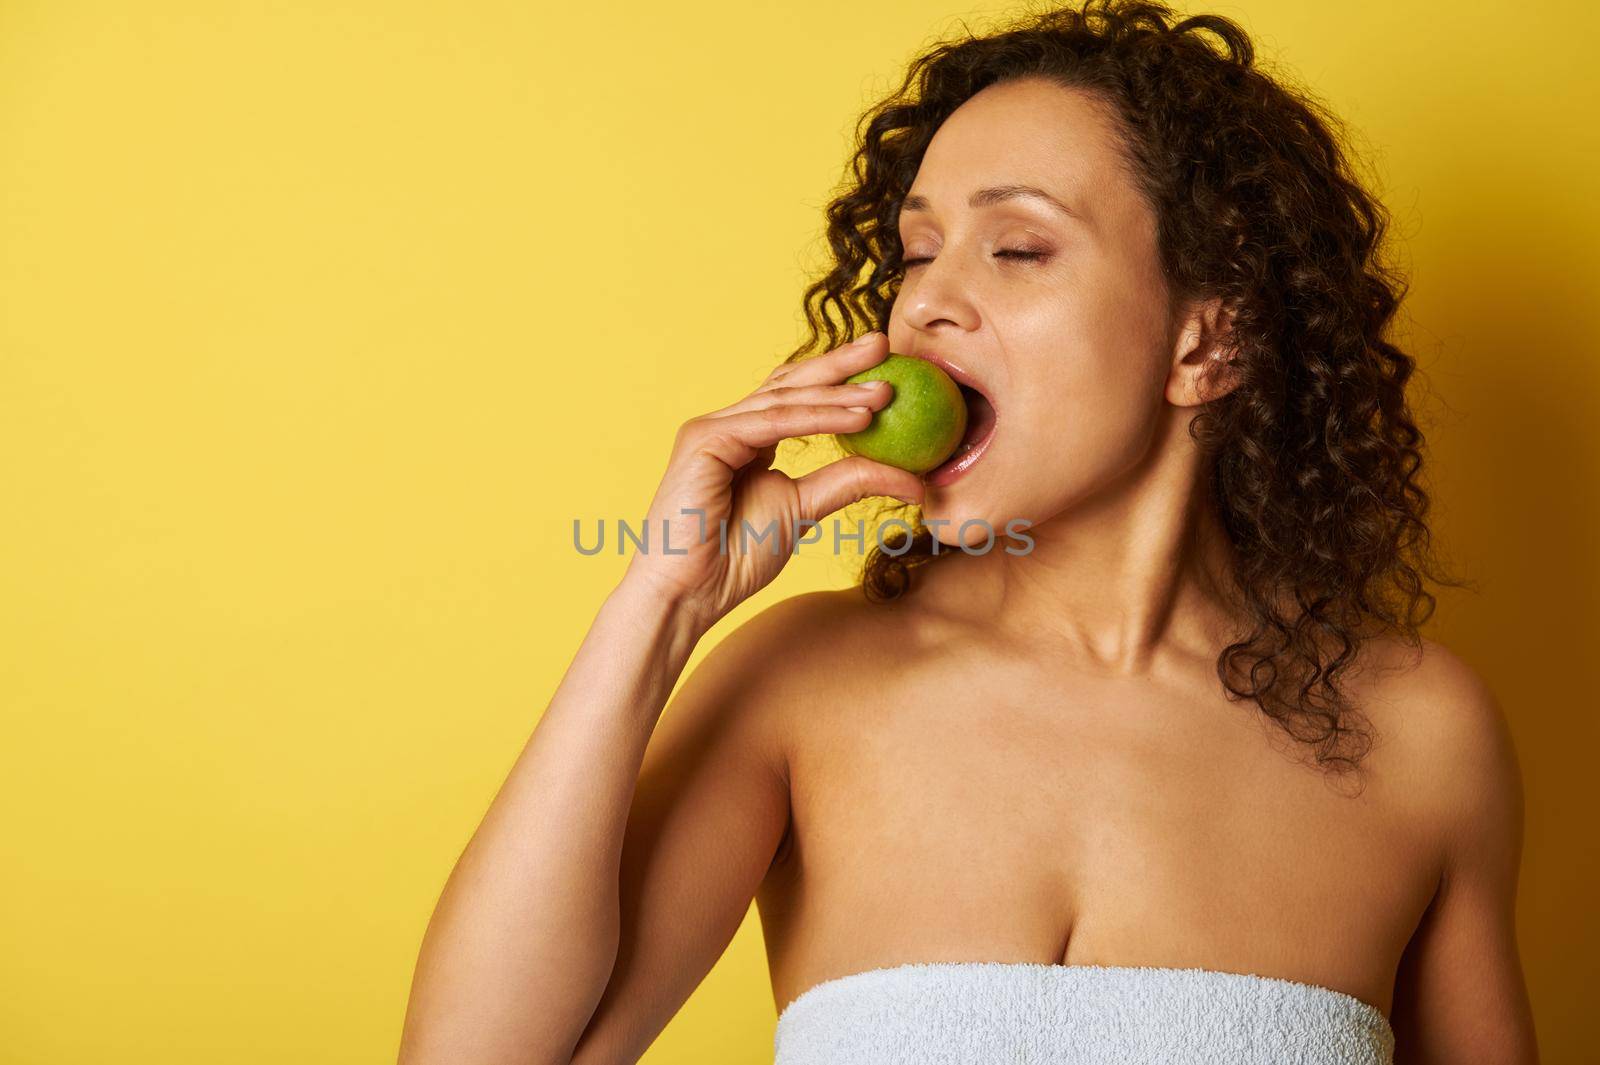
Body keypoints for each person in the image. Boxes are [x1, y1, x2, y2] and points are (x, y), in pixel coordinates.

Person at [397, 2, 1538, 1062]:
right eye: (916, 250)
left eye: (1018, 248)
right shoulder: (803, 686)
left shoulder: (1417, 736)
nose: (927, 301)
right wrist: (659, 605)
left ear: (1207, 344)